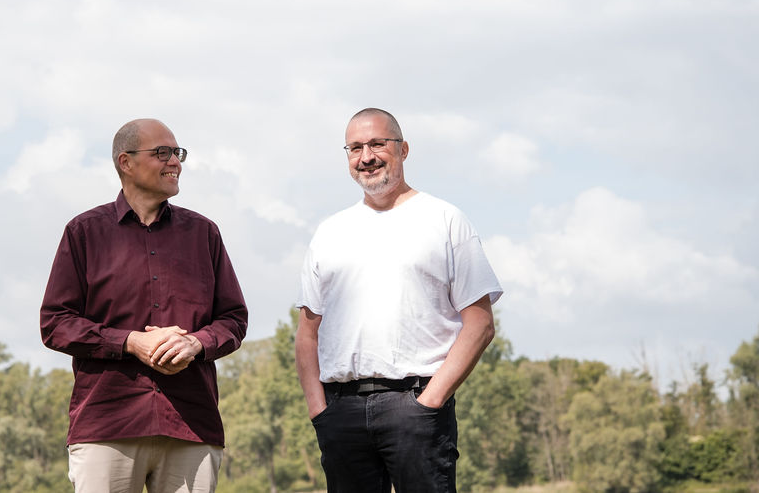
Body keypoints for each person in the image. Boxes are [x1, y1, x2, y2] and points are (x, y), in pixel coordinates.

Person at [295, 107, 503, 493]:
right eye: (355, 148)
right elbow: (308, 332)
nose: (366, 156)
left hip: (417, 406)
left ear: (403, 149)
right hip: (341, 411)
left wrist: (430, 401)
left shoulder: (444, 220)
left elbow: (480, 324)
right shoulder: (329, 232)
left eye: (377, 143)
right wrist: (319, 412)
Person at [41, 118, 248, 493]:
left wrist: (196, 343)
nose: (175, 162)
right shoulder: (84, 232)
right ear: (126, 162)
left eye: (178, 153)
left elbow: (233, 319)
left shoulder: (204, 233)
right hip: (108, 424)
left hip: (192, 423)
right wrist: (130, 342)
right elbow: (55, 323)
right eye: (163, 153)